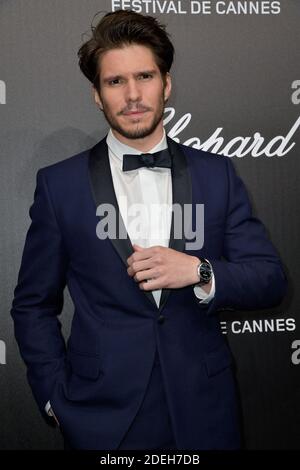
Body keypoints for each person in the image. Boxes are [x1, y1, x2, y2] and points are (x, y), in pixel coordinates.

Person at [11, 9, 287, 450]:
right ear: (97, 96)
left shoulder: (216, 175)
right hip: (101, 417)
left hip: (205, 412)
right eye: (115, 81)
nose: (133, 95)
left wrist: (199, 271)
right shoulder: (59, 185)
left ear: (167, 84)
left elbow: (269, 280)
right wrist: (53, 399)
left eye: (145, 76)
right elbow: (32, 305)